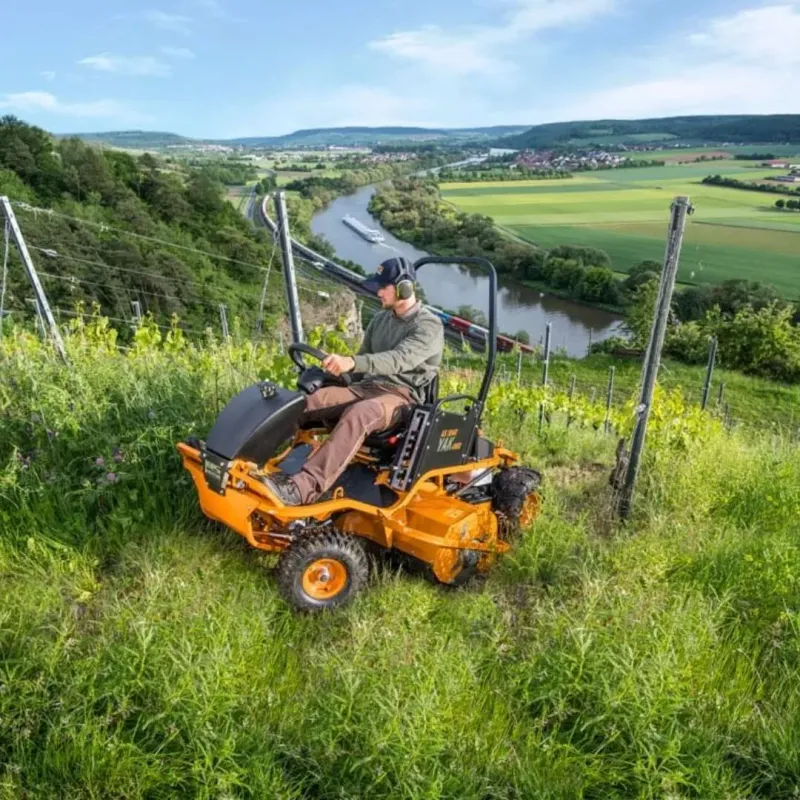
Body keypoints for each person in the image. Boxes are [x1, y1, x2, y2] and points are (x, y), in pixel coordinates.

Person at [261, 257, 444, 506]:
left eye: (383, 287)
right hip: (365, 387)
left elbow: (399, 359)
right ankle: (247, 458)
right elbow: (358, 370)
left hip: (401, 397)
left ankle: (302, 489)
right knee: (308, 402)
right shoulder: (380, 320)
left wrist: (352, 362)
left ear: (405, 288)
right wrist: (334, 373)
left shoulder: (429, 325)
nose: (378, 292)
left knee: (361, 413)